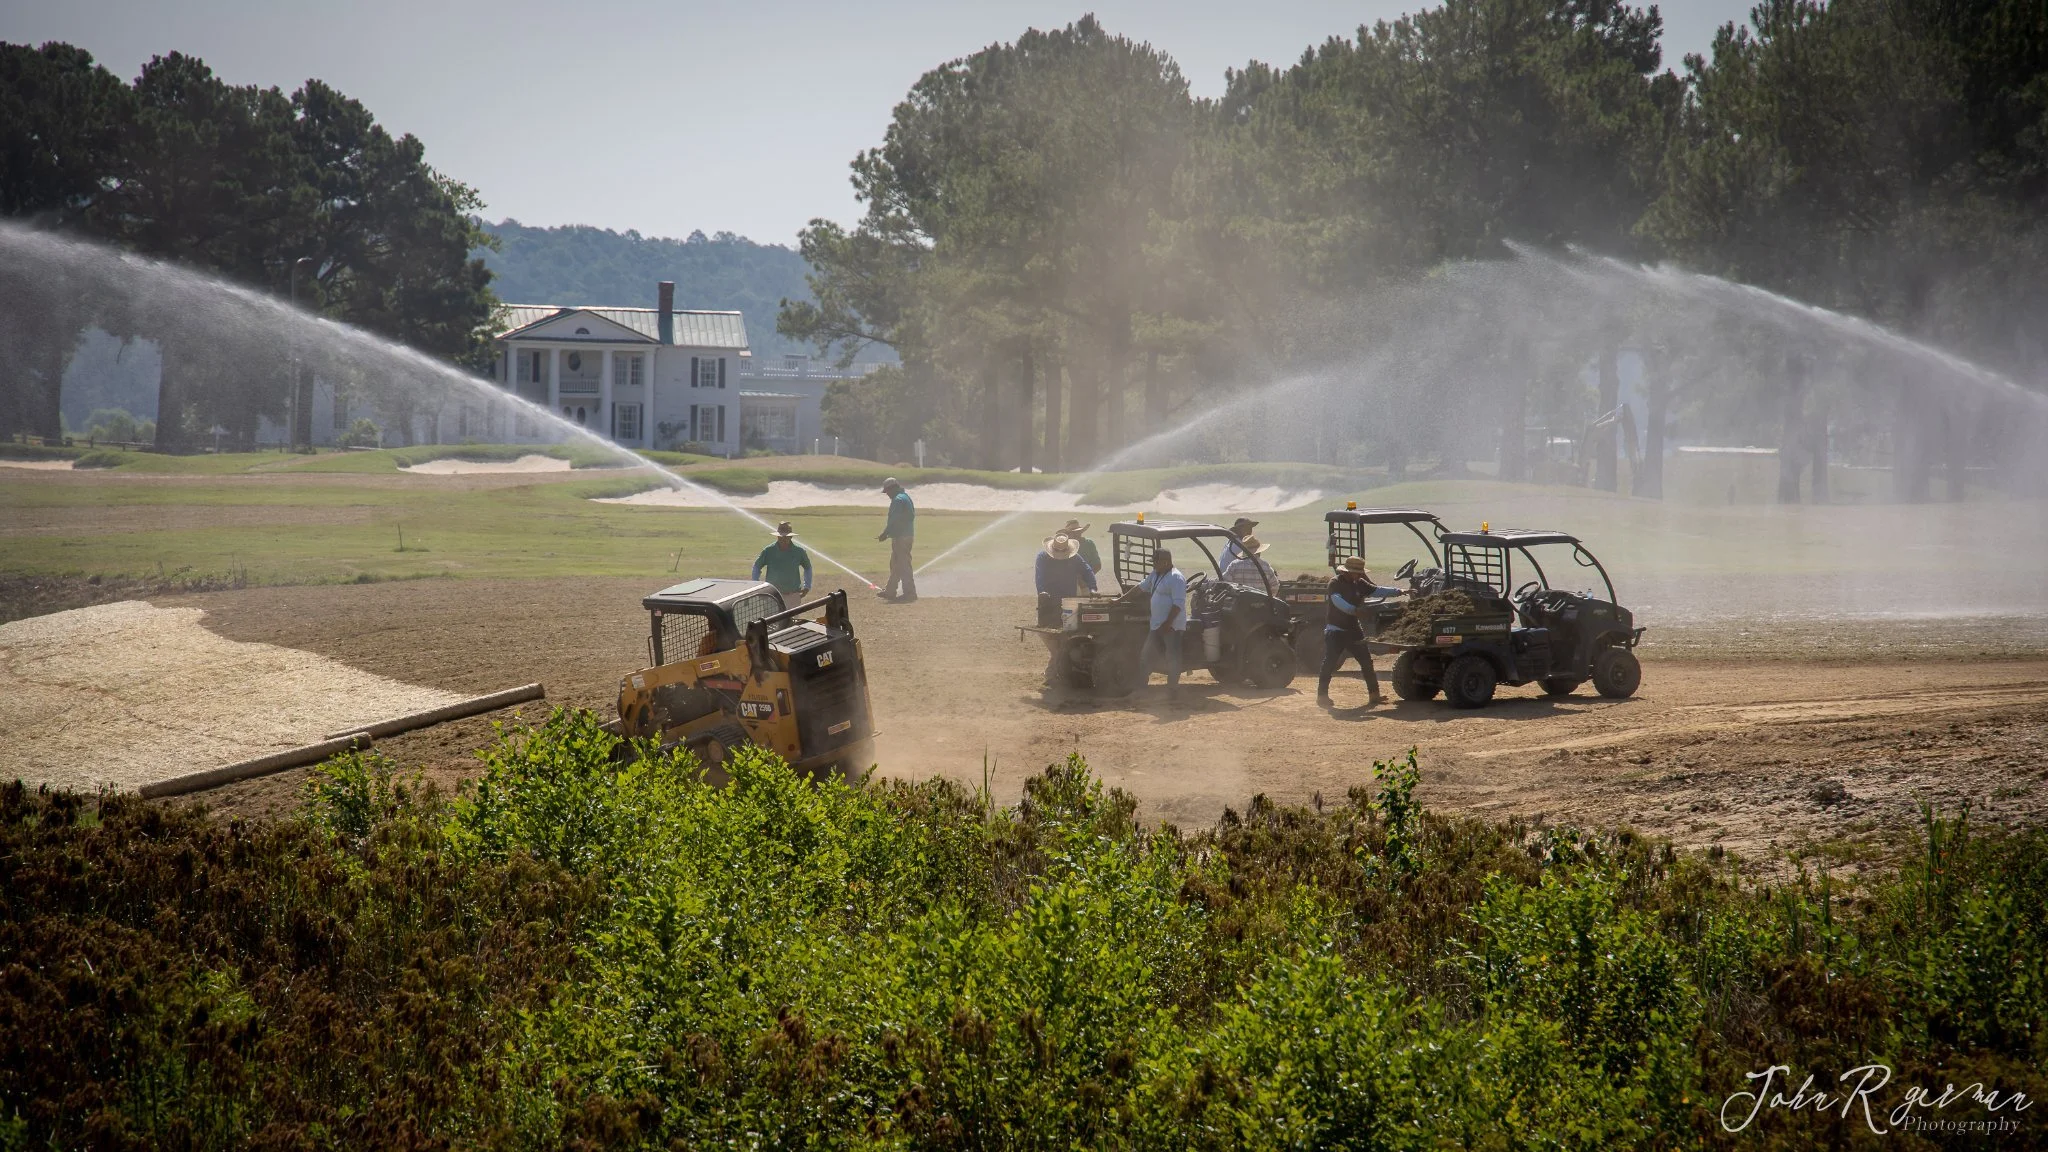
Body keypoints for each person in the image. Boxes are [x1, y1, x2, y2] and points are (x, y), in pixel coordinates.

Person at [1318, 555, 1404, 708]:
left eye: (1359, 573)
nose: (1358, 575)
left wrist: (1399, 591)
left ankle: (1374, 695)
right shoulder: (1335, 583)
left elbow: (1377, 590)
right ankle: (1322, 696)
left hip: (1353, 629)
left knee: (1366, 662)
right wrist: (1354, 610)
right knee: (1329, 662)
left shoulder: (1359, 583)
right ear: (1346, 571)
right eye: (1355, 572)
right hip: (1336, 629)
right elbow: (1337, 601)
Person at [1135, 548, 1189, 702]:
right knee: (1146, 655)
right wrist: (1119, 601)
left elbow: (1178, 604)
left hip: (1171, 626)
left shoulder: (1176, 578)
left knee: (1172, 657)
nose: (1153, 566)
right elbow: (1140, 587)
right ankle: (1142, 687)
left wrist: (1168, 623)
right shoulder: (1156, 574)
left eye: (1156, 563)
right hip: (1157, 624)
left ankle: (1172, 690)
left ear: (1165, 562)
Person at [877, 477, 916, 602]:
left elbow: (895, 519)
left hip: (901, 537)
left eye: (887, 491)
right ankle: (890, 591)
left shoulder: (898, 500)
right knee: (896, 564)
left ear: (892, 488)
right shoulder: (905, 497)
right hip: (905, 535)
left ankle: (909, 594)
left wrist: (885, 533)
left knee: (903, 565)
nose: (887, 494)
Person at [751, 521, 813, 597]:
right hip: (772, 595)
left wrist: (807, 586)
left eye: (785, 537)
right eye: (780, 536)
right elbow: (756, 567)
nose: (782, 539)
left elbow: (808, 568)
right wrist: (756, 586)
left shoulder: (799, 551)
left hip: (793, 594)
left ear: (791, 537)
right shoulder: (768, 550)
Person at [1036, 533, 1098, 598]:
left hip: (1070, 596)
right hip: (1048, 596)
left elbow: (1087, 571)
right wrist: (1041, 591)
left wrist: (1093, 588)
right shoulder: (1043, 557)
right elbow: (1039, 576)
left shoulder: (1075, 557)